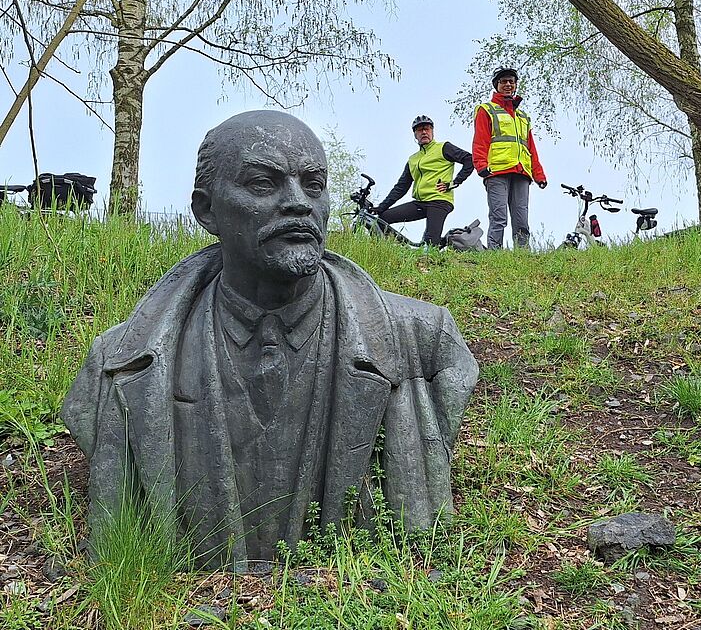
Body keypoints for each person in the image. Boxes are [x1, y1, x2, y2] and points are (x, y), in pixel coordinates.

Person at [62, 111, 478, 570]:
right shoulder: (119, 360)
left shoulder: (423, 339)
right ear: (206, 210)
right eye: (263, 184)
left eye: (314, 185)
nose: (299, 204)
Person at [473, 67, 547, 249]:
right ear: (496, 85)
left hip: (521, 171)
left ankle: (522, 256)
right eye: (504, 81)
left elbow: (530, 147)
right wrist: (481, 165)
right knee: (499, 217)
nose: (508, 85)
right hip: (496, 171)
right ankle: (494, 255)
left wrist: (539, 174)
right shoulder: (487, 110)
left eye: (511, 82)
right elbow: (480, 140)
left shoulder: (523, 116)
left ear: (515, 86)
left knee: (521, 218)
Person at [373, 115, 474, 245]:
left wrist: (454, 183)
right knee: (383, 219)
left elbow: (469, 160)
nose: (424, 132)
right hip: (420, 203)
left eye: (427, 129)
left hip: (439, 201)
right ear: (415, 135)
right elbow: (401, 187)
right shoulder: (413, 159)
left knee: (431, 243)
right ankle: (393, 250)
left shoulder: (443, 147)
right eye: (420, 130)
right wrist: (381, 207)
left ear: (432, 131)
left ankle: (449, 242)